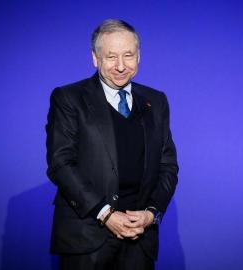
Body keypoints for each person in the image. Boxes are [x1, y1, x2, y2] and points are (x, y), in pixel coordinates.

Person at [45, 19, 178, 270]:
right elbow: (60, 164)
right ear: (95, 58)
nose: (120, 66)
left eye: (128, 55)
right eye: (110, 57)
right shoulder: (68, 98)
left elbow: (168, 166)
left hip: (140, 238)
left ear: (138, 56)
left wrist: (151, 213)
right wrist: (105, 213)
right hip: (87, 237)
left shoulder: (156, 101)